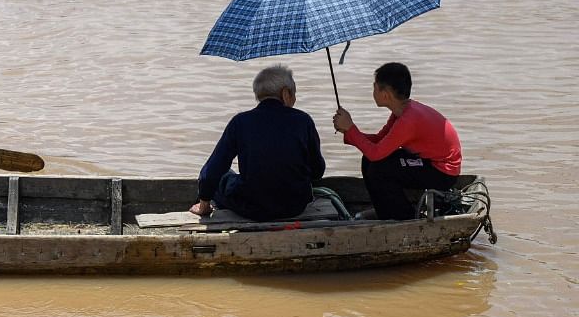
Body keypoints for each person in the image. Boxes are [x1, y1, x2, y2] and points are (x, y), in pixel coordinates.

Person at [190, 65, 326, 221]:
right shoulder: (304, 121)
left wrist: (204, 204)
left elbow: (212, 171)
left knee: (222, 176)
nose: (294, 99)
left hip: (252, 208)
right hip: (295, 207)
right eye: (294, 93)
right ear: (285, 93)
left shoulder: (240, 122)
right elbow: (318, 171)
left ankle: (204, 206)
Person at [332, 62, 461, 220]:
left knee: (379, 169)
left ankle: (403, 218)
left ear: (385, 94)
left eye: (375, 87)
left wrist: (351, 128)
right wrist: (349, 130)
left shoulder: (408, 119)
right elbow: (380, 140)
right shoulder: (401, 111)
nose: (372, 91)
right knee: (368, 161)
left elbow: (376, 153)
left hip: (441, 171)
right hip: (426, 161)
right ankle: (385, 211)